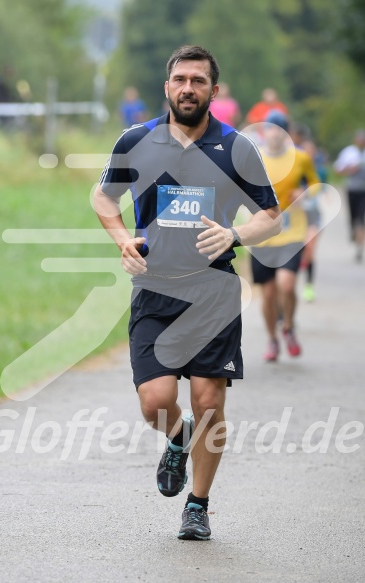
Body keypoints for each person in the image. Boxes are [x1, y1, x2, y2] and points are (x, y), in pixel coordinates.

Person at [94, 45, 281, 540]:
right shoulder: (137, 140)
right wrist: (122, 239)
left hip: (214, 291)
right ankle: (176, 438)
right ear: (167, 87)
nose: (188, 88)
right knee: (156, 399)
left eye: (198, 81)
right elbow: (103, 197)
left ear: (213, 91)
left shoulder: (236, 147)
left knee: (208, 400)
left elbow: (270, 215)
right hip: (155, 288)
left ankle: (197, 504)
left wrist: (235, 235)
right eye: (180, 79)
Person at [250, 110, 320, 362]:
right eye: (270, 128)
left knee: (287, 284)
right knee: (268, 294)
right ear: (264, 132)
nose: (275, 133)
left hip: (292, 231)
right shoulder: (253, 157)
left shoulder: (300, 158)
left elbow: (315, 186)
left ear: (286, 133)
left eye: (280, 129)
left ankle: (288, 326)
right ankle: (272, 339)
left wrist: (303, 194)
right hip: (260, 233)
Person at [290, 122, 328, 302]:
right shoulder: (293, 167)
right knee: (297, 250)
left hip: (313, 214)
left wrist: (306, 192)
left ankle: (309, 285)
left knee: (310, 249)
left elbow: (321, 187)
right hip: (295, 216)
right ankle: (290, 285)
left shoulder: (318, 170)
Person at [334, 129, 365, 262]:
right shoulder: (348, 152)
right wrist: (350, 169)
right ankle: (354, 233)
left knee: (361, 217)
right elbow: (338, 169)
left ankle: (359, 246)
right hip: (352, 189)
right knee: (353, 217)